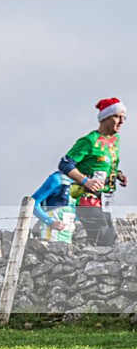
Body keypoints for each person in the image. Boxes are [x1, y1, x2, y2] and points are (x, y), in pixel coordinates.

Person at [58, 98, 128, 246]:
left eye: (124, 117)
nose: (122, 121)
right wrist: (85, 181)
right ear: (105, 118)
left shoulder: (115, 140)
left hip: (105, 199)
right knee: (104, 237)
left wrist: (118, 174)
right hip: (86, 199)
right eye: (117, 116)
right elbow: (65, 163)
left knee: (110, 238)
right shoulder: (89, 141)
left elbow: (103, 164)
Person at [31, 171, 76, 244]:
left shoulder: (83, 183)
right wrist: (50, 222)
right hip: (49, 240)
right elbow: (32, 204)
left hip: (68, 242)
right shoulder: (57, 179)